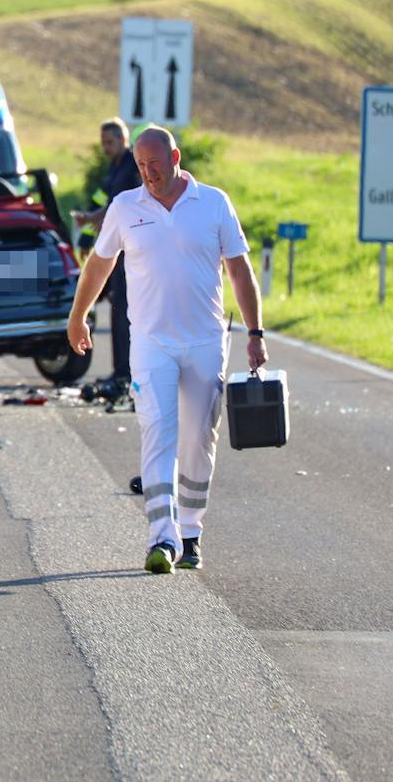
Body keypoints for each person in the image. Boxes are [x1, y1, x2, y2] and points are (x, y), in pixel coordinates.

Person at [66, 125, 266, 575]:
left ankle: (191, 531)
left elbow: (239, 270)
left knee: (198, 437)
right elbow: (99, 264)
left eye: (154, 164)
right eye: (140, 166)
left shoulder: (213, 203)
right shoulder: (125, 207)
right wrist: (78, 315)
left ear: (175, 158)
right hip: (151, 342)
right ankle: (162, 538)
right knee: (158, 429)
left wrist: (255, 332)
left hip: (205, 341)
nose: (148, 174)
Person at [70, 118, 142, 389]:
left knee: (123, 310)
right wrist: (88, 233)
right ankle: (120, 370)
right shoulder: (113, 168)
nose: (105, 148)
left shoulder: (131, 167)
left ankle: (125, 373)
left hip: (129, 248)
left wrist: (91, 218)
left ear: (124, 140)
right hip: (113, 246)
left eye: (109, 142)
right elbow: (100, 201)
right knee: (116, 310)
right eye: (103, 143)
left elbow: (117, 207)